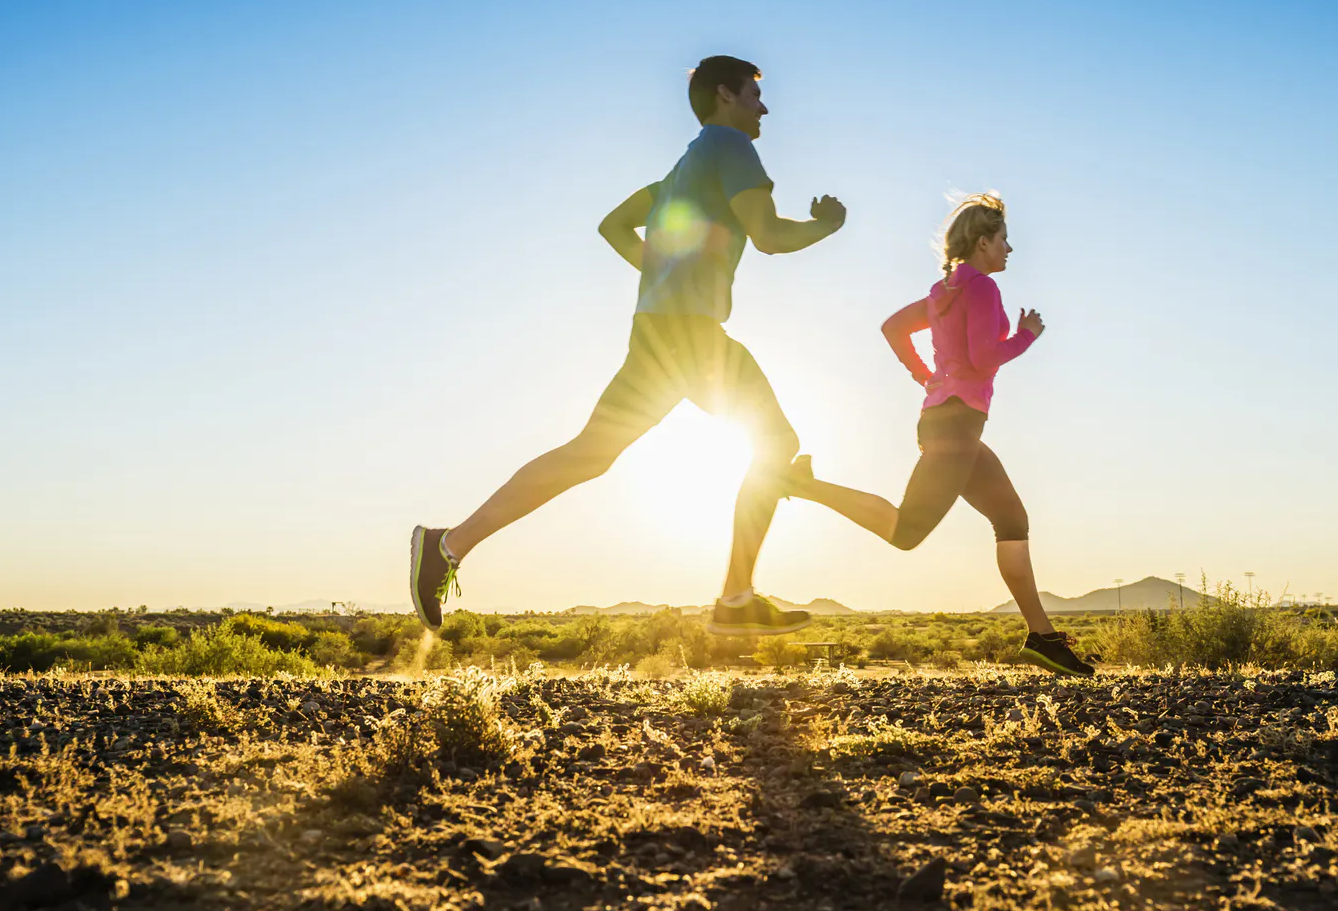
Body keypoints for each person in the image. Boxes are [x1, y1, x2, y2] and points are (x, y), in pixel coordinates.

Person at [410, 55, 845, 636]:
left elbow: (611, 225)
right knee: (775, 441)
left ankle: (448, 544)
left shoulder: (680, 171)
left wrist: (660, 271)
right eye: (754, 96)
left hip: (657, 331)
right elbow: (767, 236)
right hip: (690, 334)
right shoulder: (730, 147)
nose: (763, 108)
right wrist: (828, 226)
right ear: (725, 96)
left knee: (590, 454)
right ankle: (736, 599)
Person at [780, 193, 1094, 676]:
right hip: (955, 427)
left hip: (950, 422)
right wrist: (1028, 334)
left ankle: (1043, 638)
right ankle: (803, 484)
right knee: (906, 532)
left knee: (1012, 518)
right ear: (983, 241)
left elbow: (892, 328)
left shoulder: (942, 291)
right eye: (1004, 240)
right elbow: (983, 358)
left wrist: (922, 375)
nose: (1010, 249)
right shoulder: (983, 290)